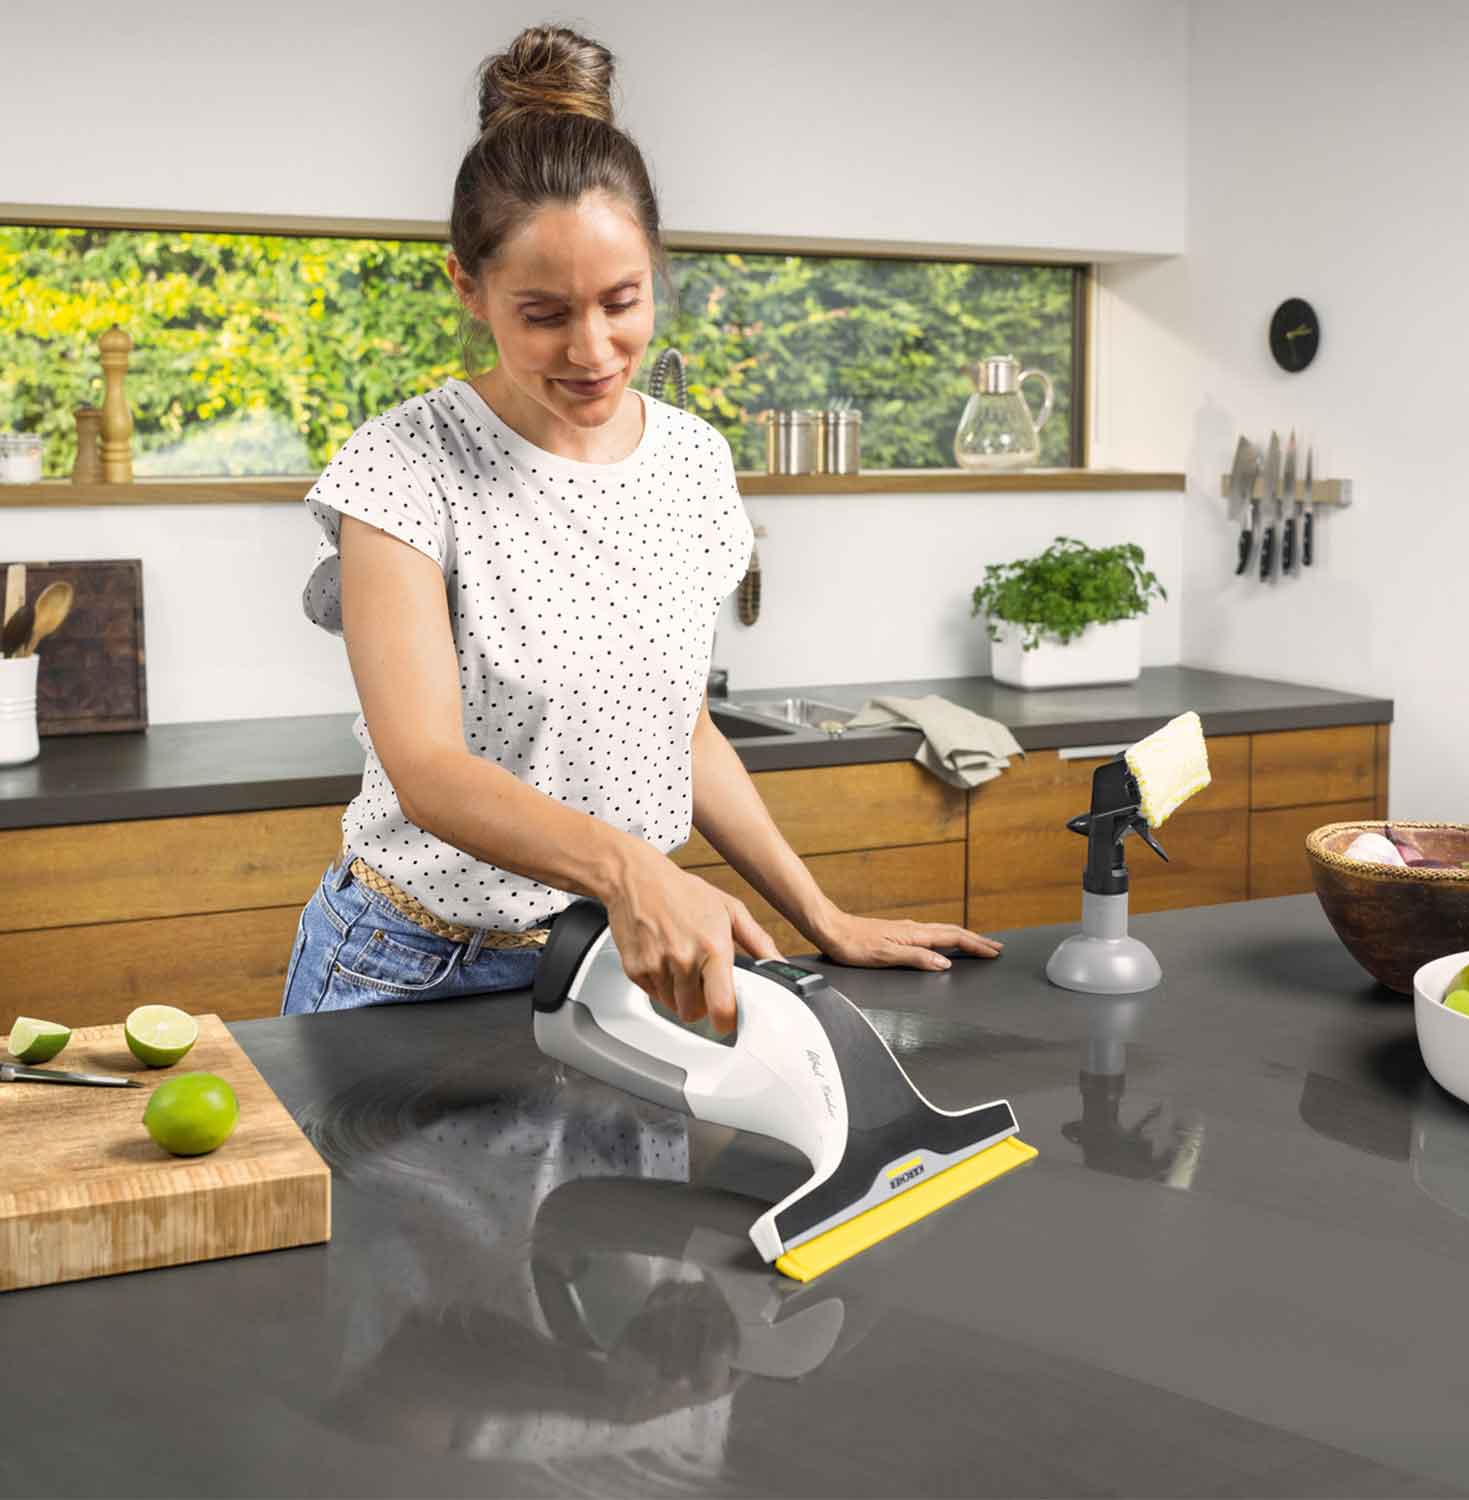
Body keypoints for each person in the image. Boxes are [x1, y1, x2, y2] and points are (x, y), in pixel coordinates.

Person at [282, 23, 1002, 1029]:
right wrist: (634, 872)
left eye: (622, 301)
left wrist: (821, 915)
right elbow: (430, 771)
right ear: (468, 288)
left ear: (656, 271)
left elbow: (682, 733)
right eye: (544, 314)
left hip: (611, 967)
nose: (593, 350)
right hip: (411, 970)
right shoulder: (404, 466)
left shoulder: (692, 461)